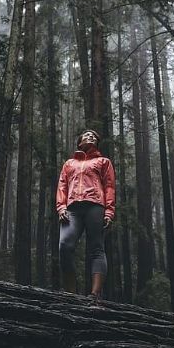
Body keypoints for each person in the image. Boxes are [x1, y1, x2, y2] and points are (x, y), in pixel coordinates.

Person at [56, 129, 116, 302]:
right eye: (86, 135)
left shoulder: (103, 162)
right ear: (79, 142)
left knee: (97, 248)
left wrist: (109, 212)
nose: (90, 137)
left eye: (94, 137)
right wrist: (61, 208)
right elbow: (62, 187)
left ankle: (95, 296)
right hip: (72, 208)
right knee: (65, 246)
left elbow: (109, 187)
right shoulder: (69, 164)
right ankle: (70, 294)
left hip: (95, 206)